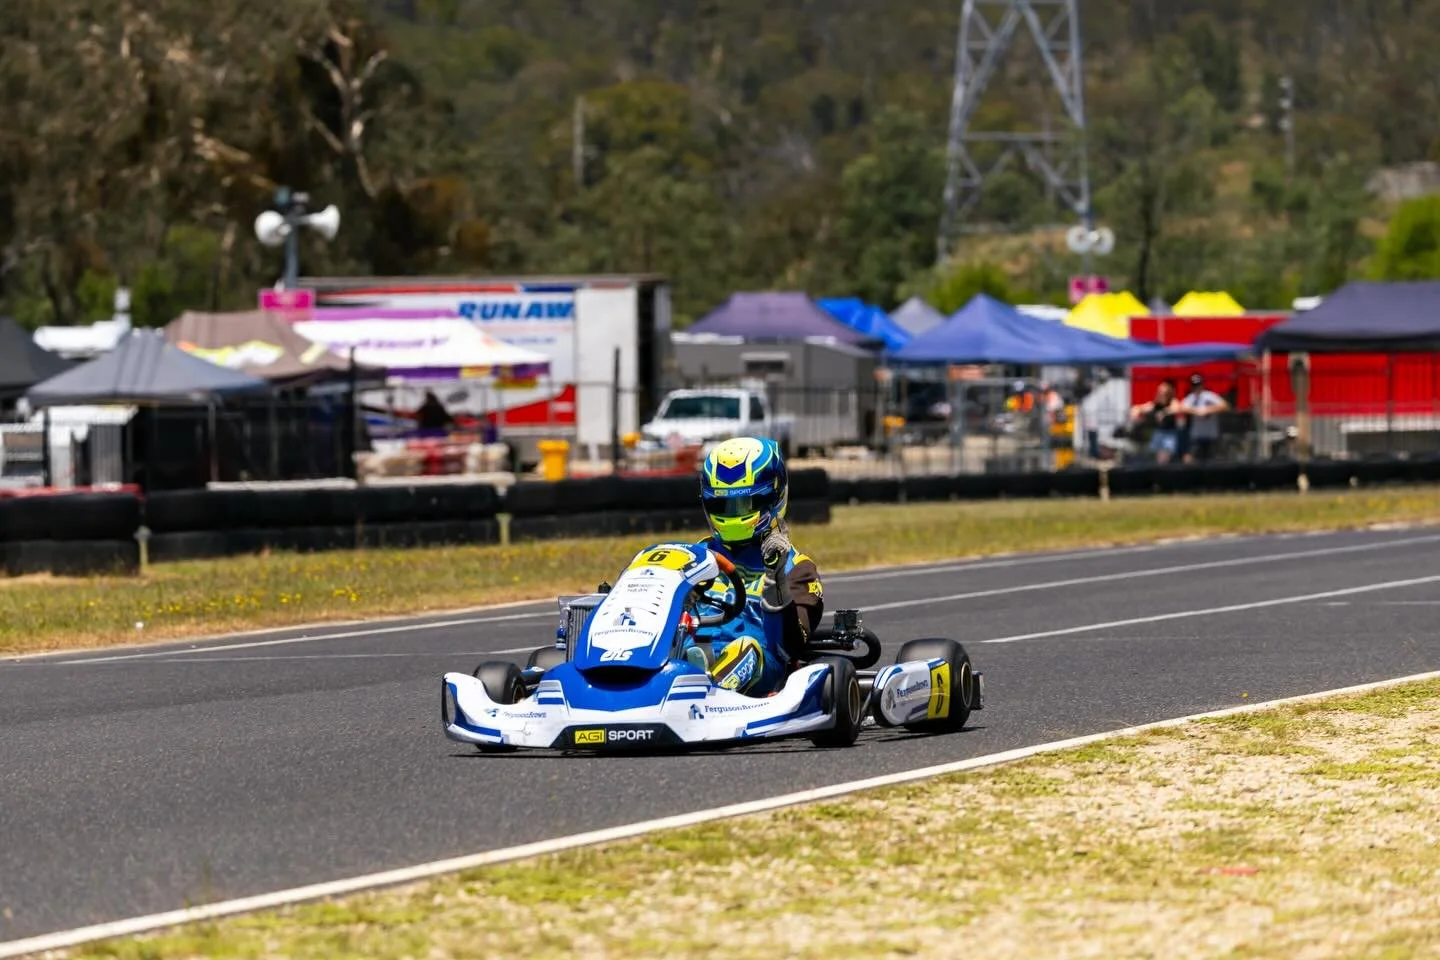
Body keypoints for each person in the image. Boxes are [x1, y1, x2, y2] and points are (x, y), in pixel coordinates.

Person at [685, 436, 824, 696]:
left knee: (744, 648)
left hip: (758, 663)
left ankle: (708, 695)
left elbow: (791, 646)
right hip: (687, 656)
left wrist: (775, 577)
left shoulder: (798, 569)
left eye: (744, 504)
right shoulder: (693, 556)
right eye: (722, 505)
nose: (733, 515)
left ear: (773, 497)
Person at [1179, 373, 1230, 462]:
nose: (1197, 388)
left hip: (1211, 435)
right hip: (1196, 436)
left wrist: (1208, 410)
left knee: (1211, 462)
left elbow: (1225, 406)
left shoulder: (1209, 396)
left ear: (1202, 385)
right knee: (1194, 461)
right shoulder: (1190, 398)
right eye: (1194, 386)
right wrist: (1196, 411)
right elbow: (1181, 407)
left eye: (1198, 385)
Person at [1130, 379, 1180, 463]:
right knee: (1157, 458)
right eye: (1159, 392)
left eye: (1163, 393)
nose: (1160, 395)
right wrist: (1135, 412)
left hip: (1169, 434)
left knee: (1164, 458)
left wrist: (1164, 413)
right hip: (1158, 433)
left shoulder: (1173, 402)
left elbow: (1176, 408)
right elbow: (1138, 408)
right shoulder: (1154, 405)